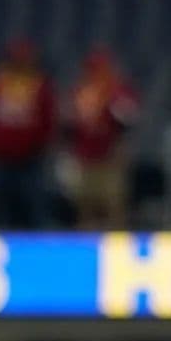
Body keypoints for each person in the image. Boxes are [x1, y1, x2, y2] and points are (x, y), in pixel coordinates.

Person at [0, 39, 58, 229]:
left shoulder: (39, 86)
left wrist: (39, 147)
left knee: (34, 207)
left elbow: (49, 119)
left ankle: (38, 248)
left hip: (30, 158)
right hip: (0, 158)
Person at [66, 47, 140, 229]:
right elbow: (70, 123)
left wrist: (112, 104)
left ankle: (117, 243)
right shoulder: (81, 92)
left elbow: (129, 118)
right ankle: (85, 244)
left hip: (111, 156)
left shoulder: (119, 90)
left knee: (114, 202)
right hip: (84, 156)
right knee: (85, 203)